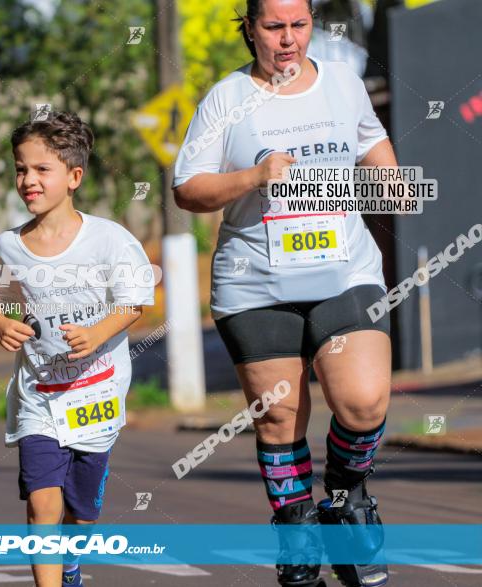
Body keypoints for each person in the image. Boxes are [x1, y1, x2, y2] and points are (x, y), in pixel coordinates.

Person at [172, 1, 396, 586]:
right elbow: (188, 189)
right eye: (274, 27)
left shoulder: (343, 83)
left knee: (364, 402)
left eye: (299, 25)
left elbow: (370, 138)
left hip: (344, 270)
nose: (289, 40)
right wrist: (252, 176)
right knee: (278, 418)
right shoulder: (226, 99)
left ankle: (346, 499)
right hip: (256, 282)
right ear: (249, 29)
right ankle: (296, 531)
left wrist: (388, 175)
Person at [0, 112, 155, 587]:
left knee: (81, 513)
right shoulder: (9, 246)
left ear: (74, 176)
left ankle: (72, 562)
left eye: (42, 169)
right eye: (21, 168)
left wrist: (98, 333)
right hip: (39, 395)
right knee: (42, 505)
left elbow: (134, 300)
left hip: (95, 394)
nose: (28, 179)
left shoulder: (109, 240)